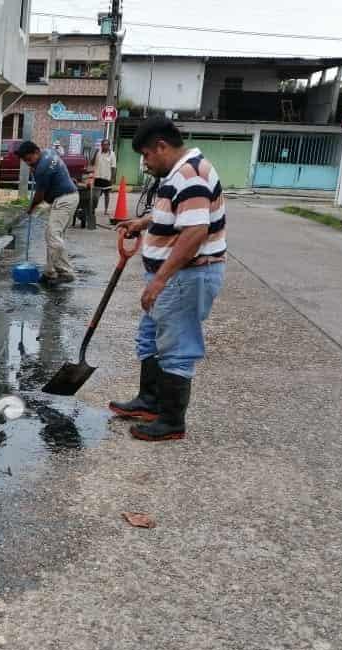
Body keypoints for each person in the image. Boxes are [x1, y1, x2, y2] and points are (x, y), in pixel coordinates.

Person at [111, 116, 226, 442]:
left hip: (186, 276)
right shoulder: (181, 172)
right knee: (149, 338)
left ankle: (171, 421)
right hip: (173, 276)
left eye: (146, 155)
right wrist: (146, 221)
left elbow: (195, 231)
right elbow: (180, 215)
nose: (145, 163)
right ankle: (149, 401)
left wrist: (159, 280)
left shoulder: (190, 174)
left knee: (177, 348)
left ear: (162, 146)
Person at [17, 141, 79, 285]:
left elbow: (39, 195)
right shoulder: (49, 152)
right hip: (67, 196)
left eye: (29, 159)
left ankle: (65, 272)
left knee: (52, 235)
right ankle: (50, 272)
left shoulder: (42, 168)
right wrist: (34, 167)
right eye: (25, 161)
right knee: (54, 236)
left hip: (65, 199)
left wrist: (31, 208)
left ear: (36, 152)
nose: (28, 163)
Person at [91, 138, 116, 218]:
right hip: (98, 177)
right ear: (101, 146)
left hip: (107, 178)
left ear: (109, 146)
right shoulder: (98, 153)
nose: (105, 146)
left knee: (107, 195)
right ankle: (93, 209)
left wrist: (112, 178)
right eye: (103, 145)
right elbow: (91, 163)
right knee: (95, 196)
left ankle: (105, 210)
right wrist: (94, 154)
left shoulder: (112, 154)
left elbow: (113, 167)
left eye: (106, 145)